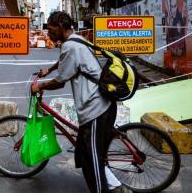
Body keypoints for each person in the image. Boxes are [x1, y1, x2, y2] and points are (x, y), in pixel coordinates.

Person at [31, 11, 123, 193]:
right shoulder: (76, 41)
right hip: (98, 105)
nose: (48, 34)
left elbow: (60, 82)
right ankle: (115, 186)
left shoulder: (71, 47)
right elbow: (64, 61)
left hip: (96, 108)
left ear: (62, 26)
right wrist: (48, 70)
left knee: (92, 159)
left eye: (51, 29)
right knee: (85, 153)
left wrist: (40, 87)